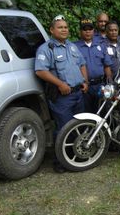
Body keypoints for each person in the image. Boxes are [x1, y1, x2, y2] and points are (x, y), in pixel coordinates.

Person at [35, 15, 88, 172]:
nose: (64, 29)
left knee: (79, 127)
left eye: (66, 27)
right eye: (60, 27)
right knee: (63, 128)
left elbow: (82, 64)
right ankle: (60, 162)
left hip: (78, 94)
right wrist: (60, 84)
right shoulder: (46, 48)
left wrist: (85, 82)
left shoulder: (72, 47)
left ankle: (76, 155)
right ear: (52, 30)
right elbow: (40, 71)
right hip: (62, 97)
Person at [74, 18, 113, 113]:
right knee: (86, 113)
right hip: (84, 88)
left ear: (93, 31)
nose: (87, 32)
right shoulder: (74, 47)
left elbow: (107, 66)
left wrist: (110, 83)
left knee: (103, 112)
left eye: (90, 29)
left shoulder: (101, 45)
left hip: (100, 85)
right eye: (85, 29)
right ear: (80, 31)